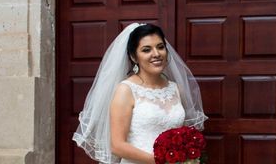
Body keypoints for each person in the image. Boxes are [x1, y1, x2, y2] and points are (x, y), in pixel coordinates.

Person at [73, 23, 207, 164]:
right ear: (133, 57)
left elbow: (182, 134)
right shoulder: (126, 90)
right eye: (146, 50)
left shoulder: (175, 89)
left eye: (160, 47)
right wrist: (161, 161)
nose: (156, 54)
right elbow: (117, 146)